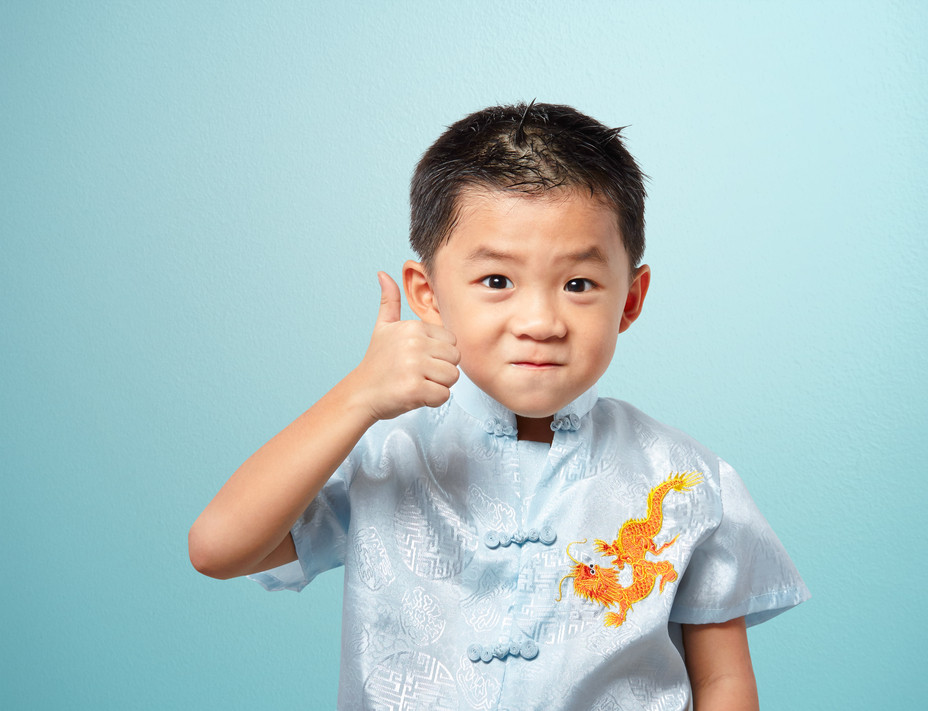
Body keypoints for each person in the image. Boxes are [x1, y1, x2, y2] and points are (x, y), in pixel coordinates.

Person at [189, 102, 809, 711]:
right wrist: (357, 396)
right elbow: (218, 549)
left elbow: (723, 682)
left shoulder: (682, 478)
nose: (539, 322)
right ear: (427, 296)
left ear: (631, 298)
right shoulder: (385, 450)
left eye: (578, 284)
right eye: (496, 281)